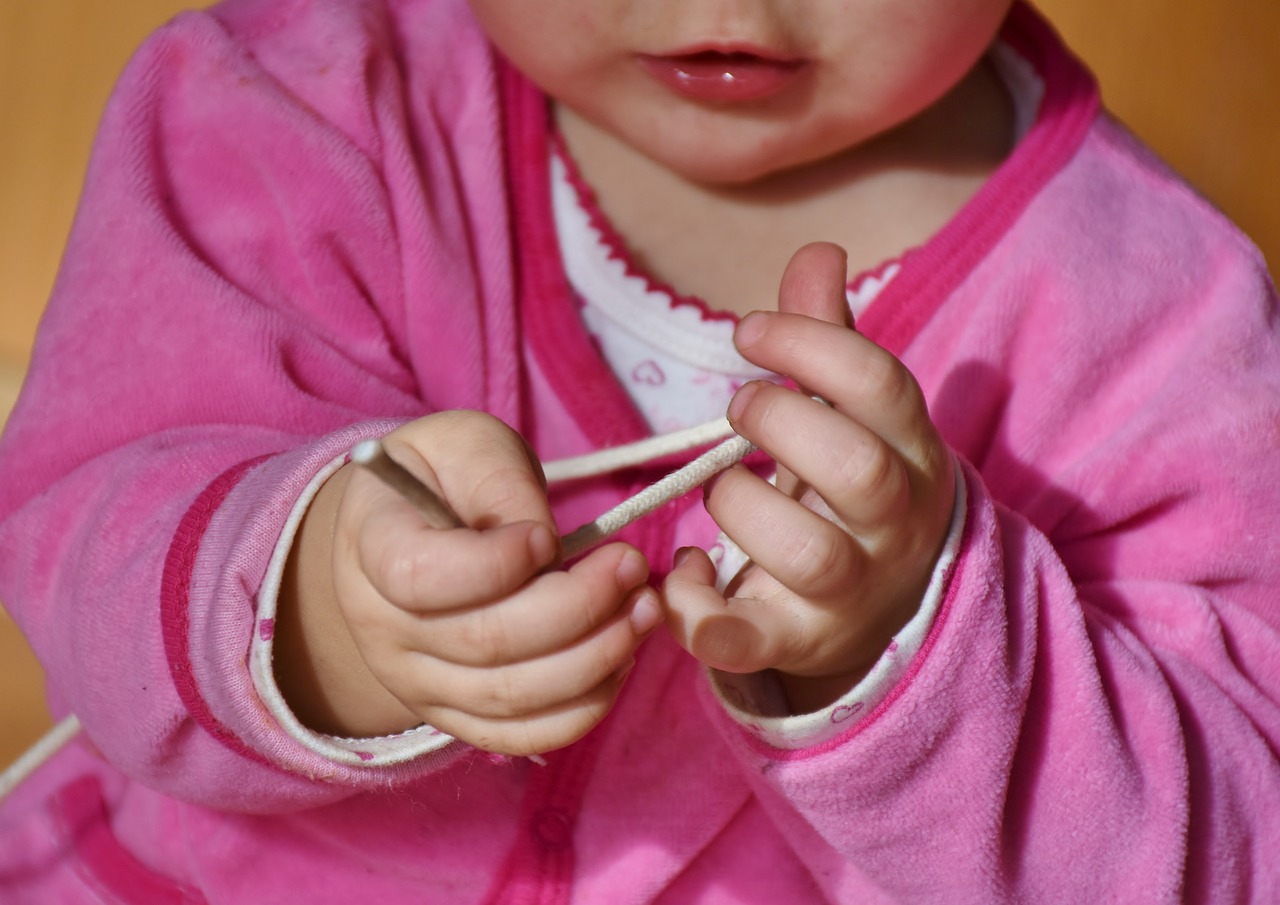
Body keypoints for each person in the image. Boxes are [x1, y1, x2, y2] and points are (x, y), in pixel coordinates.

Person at [0, 0, 1277, 900]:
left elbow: (1230, 844)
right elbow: (82, 544)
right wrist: (326, 617)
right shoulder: (290, 108)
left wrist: (921, 648)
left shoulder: (1161, 320)